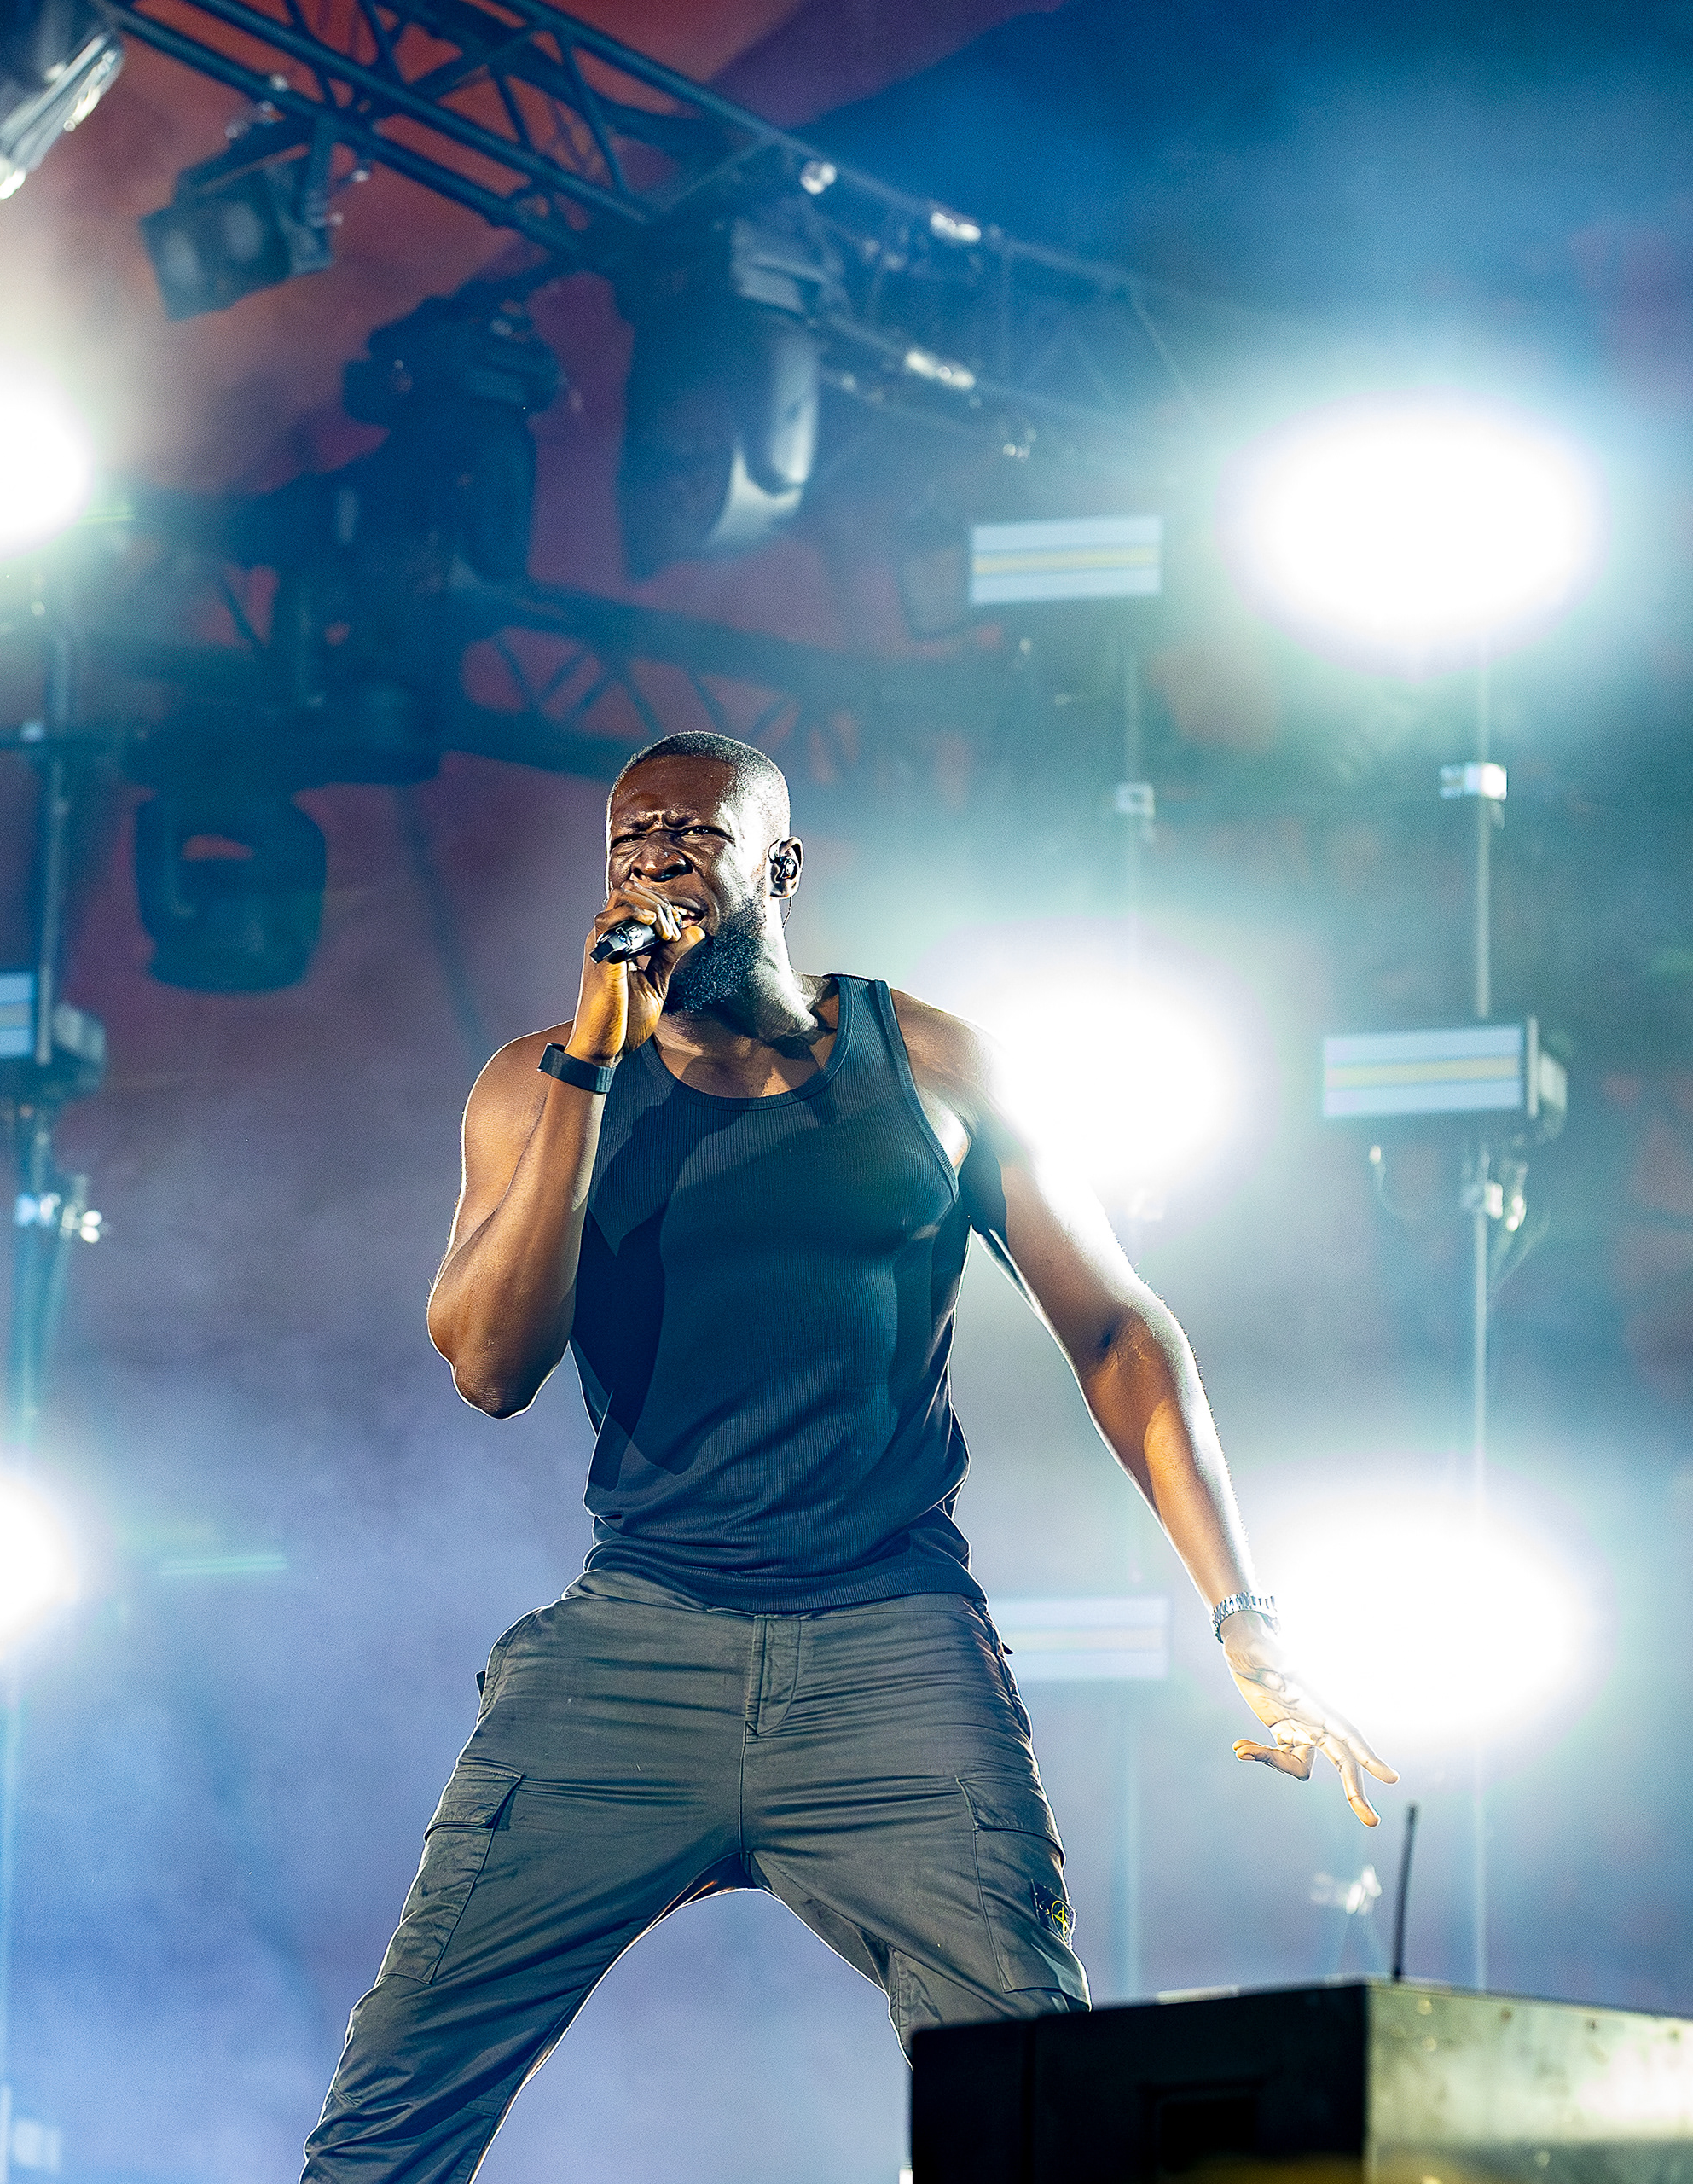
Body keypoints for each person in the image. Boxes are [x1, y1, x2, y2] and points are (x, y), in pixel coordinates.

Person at [301, 731, 1391, 2183]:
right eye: (630, 838)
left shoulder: (931, 1063)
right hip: (637, 1647)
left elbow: (1118, 1332)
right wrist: (589, 1064)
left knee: (1037, 2103)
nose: (654, 859)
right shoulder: (537, 1082)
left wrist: (1244, 1616)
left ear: (780, 866)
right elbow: (491, 1369)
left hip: (890, 1650)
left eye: (692, 833)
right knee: (391, 2107)